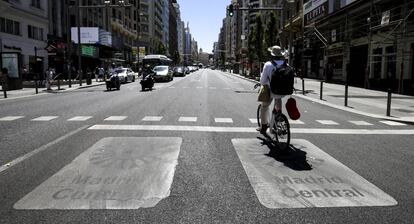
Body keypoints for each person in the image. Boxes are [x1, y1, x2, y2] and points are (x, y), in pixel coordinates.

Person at [257, 45, 291, 134]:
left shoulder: (268, 64)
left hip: (271, 91)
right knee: (278, 106)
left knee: (264, 107)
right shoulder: (286, 64)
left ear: (272, 55)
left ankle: (264, 126)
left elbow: (263, 81)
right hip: (283, 91)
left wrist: (263, 83)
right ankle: (279, 119)